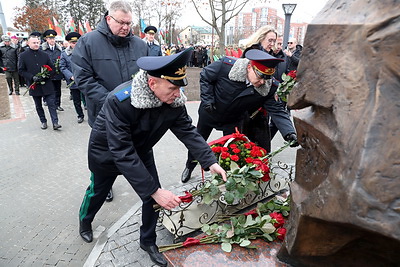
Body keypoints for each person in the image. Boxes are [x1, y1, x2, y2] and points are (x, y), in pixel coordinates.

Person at [78, 48, 226, 267]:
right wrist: (155, 191)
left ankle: (147, 241)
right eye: (173, 88)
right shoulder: (119, 101)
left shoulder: (174, 101)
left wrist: (210, 161)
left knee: (151, 198)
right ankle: (85, 221)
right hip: (108, 154)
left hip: (141, 150)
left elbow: (187, 131)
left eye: (179, 87)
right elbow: (121, 151)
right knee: (98, 192)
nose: (178, 94)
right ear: (152, 83)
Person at [181, 49, 298, 183]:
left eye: (266, 80)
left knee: (231, 151)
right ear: (249, 67)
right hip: (210, 113)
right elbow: (206, 76)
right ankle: (189, 166)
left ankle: (227, 176)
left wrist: (289, 133)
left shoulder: (269, 88)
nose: (262, 83)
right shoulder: (225, 67)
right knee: (199, 142)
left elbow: (277, 111)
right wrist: (208, 100)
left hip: (233, 119)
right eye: (259, 77)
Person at [72, 0, 148, 202]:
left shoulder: (140, 45)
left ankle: (146, 188)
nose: (125, 28)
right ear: (108, 18)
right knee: (103, 158)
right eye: (121, 23)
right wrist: (112, 103)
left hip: (135, 114)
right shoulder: (88, 42)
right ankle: (101, 186)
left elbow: (148, 78)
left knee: (135, 151)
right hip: (103, 115)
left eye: (128, 23)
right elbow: (84, 79)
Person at [18, 35, 61, 130]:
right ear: (28, 43)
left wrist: (46, 75)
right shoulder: (23, 56)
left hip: (47, 84)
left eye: (37, 42)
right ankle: (43, 121)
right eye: (34, 43)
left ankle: (55, 122)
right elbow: (21, 70)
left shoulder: (44, 54)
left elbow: (52, 68)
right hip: (34, 85)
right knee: (38, 105)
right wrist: (32, 77)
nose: (36, 44)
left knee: (51, 103)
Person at [60, 32, 84, 123]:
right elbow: (62, 67)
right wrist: (70, 76)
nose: (75, 44)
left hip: (84, 79)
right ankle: (80, 115)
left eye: (77, 42)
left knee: (88, 98)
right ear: (69, 43)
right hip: (73, 81)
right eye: (73, 43)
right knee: (76, 100)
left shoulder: (84, 51)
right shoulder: (65, 54)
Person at [42, 29, 64, 111]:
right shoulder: (43, 50)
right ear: (46, 39)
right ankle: (52, 105)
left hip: (58, 74)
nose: (52, 40)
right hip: (48, 74)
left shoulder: (59, 50)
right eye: (50, 39)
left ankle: (58, 104)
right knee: (50, 90)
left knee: (58, 90)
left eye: (53, 38)